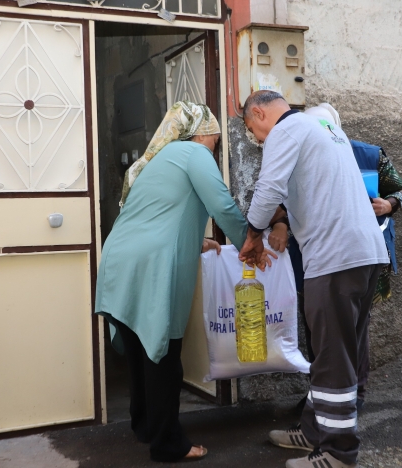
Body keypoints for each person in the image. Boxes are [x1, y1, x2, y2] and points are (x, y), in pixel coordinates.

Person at [95, 101, 274, 463]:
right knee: (163, 354)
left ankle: (145, 426)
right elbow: (222, 205)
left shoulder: (160, 160)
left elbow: (163, 214)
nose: (216, 147)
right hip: (151, 265)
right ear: (202, 132)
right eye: (216, 140)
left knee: (140, 351)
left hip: (119, 260)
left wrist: (204, 242)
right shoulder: (194, 152)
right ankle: (168, 444)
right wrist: (250, 244)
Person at [238, 91, 389, 468]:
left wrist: (253, 234)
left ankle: (339, 453)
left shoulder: (285, 132)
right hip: (365, 253)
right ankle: (313, 430)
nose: (256, 138)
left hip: (335, 258)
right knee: (340, 349)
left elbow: (268, 190)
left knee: (333, 354)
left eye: (251, 129)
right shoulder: (322, 127)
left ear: (259, 112)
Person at [269, 103, 402, 414]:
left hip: (355, 256)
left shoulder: (369, 155)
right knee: (323, 331)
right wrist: (278, 221)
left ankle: (349, 398)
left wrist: (389, 204)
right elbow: (283, 200)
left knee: (351, 332)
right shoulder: (301, 152)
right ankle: (323, 398)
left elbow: (399, 189)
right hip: (318, 256)